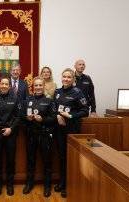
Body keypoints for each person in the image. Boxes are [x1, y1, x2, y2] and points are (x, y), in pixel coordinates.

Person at [53, 68, 89, 197]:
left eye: (69, 77)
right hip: (59, 130)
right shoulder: (57, 92)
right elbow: (53, 107)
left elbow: (85, 111)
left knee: (70, 158)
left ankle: (70, 185)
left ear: (73, 79)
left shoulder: (77, 92)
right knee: (62, 157)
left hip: (72, 130)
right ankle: (62, 182)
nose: (66, 79)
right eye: (64, 77)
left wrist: (71, 116)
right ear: (61, 78)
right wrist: (57, 115)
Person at [22, 77, 56, 197]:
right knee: (30, 160)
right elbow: (22, 118)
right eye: (35, 85)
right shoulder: (27, 100)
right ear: (33, 87)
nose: (38, 87)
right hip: (31, 134)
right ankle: (29, 183)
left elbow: (53, 119)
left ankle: (47, 186)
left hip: (45, 135)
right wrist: (27, 118)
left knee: (47, 161)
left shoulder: (49, 101)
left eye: (40, 85)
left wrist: (43, 119)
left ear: (44, 86)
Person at [0, 76, 21, 196]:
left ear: (9, 86)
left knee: (10, 160)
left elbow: (18, 117)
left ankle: (10, 184)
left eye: (6, 84)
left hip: (10, 133)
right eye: (2, 83)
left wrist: (11, 129)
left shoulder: (15, 99)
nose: (4, 86)